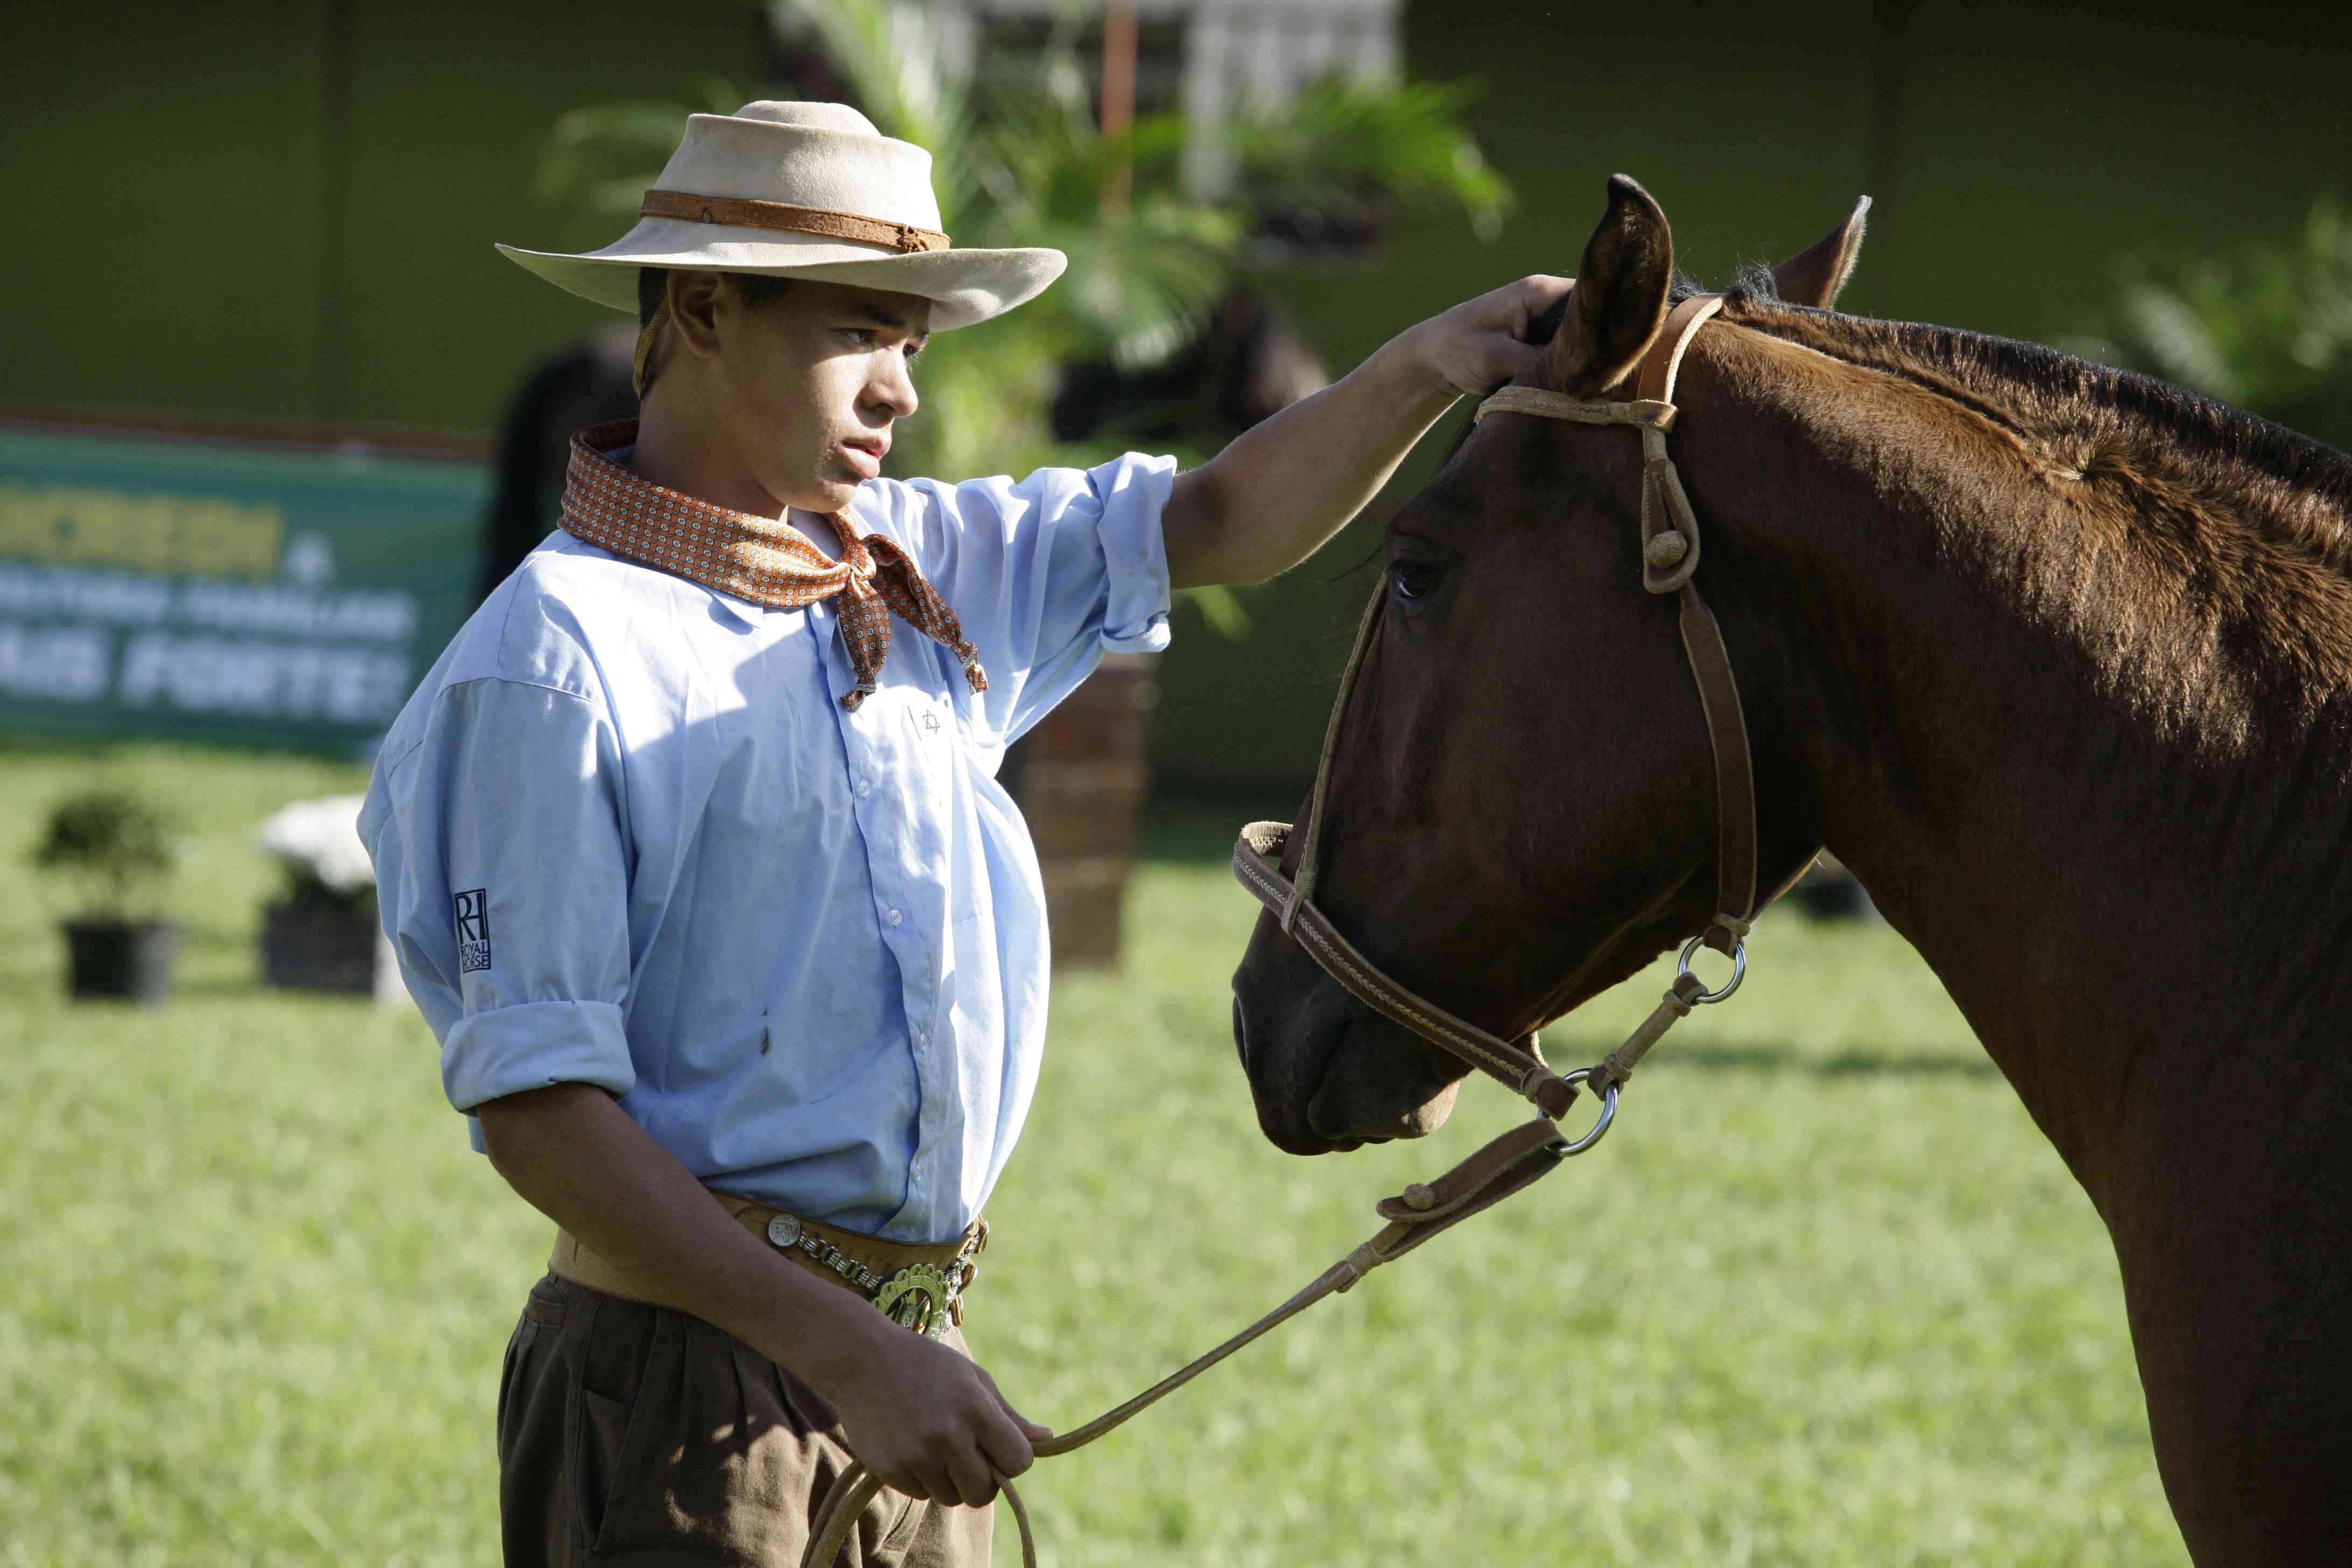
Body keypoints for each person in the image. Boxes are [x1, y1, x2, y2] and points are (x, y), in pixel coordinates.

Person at [360, 100, 1569, 1567]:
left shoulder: (921, 565)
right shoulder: (556, 660)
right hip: (684, 1392)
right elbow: (542, 1119)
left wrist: (1441, 358)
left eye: (916, 349)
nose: (902, 395)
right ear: (700, 307)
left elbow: (1224, 517)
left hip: (915, 1380)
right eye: (864, 332)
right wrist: (858, 1360)